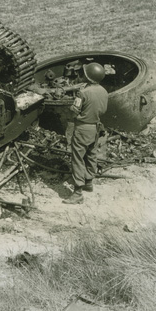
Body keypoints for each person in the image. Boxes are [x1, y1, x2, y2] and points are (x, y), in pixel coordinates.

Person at [63, 62, 108, 205]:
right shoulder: (104, 91)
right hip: (95, 127)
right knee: (91, 154)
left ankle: (77, 193)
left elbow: (73, 111)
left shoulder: (83, 93)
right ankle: (89, 182)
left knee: (77, 158)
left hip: (82, 128)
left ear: (88, 77)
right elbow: (103, 110)